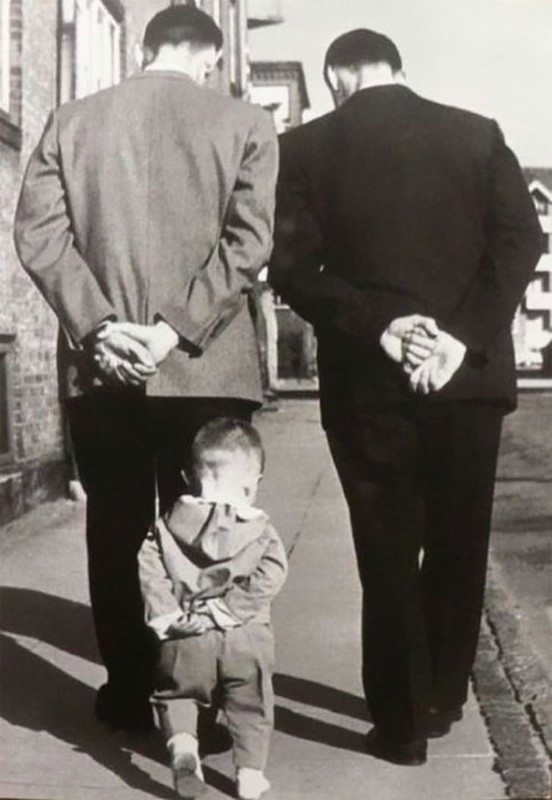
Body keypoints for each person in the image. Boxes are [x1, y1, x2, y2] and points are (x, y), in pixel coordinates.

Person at [269, 28, 542, 766]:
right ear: (397, 68)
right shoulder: (477, 135)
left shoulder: (303, 149)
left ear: (336, 76)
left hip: (369, 381)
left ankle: (400, 724)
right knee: (460, 541)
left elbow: (292, 269)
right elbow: (522, 242)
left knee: (384, 547)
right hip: (468, 379)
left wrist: (384, 328)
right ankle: (443, 696)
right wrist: (458, 338)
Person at [14, 5, 278, 732]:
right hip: (208, 365)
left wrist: (101, 327)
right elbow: (248, 245)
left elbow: (38, 236)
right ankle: (203, 700)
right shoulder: (246, 123)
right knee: (210, 530)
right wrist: (170, 332)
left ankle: (130, 693)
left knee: (117, 527)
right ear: (209, 57)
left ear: (143, 48)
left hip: (102, 369)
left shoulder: (71, 121)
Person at [138, 418, 287, 800]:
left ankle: (184, 750)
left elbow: (150, 567)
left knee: (178, 695)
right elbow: (272, 573)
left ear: (188, 477)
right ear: (253, 484)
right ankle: (250, 776)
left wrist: (169, 616)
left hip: (185, 633)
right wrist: (225, 610)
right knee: (251, 703)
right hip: (244, 634)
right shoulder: (260, 530)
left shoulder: (167, 526)